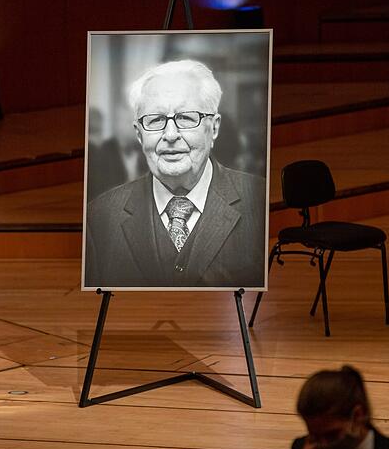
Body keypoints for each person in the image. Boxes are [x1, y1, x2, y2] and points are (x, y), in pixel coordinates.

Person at [84, 59, 266, 288]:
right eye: (156, 120)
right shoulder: (100, 218)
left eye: (186, 118)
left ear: (214, 128)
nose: (170, 135)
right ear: (139, 135)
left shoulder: (259, 200)